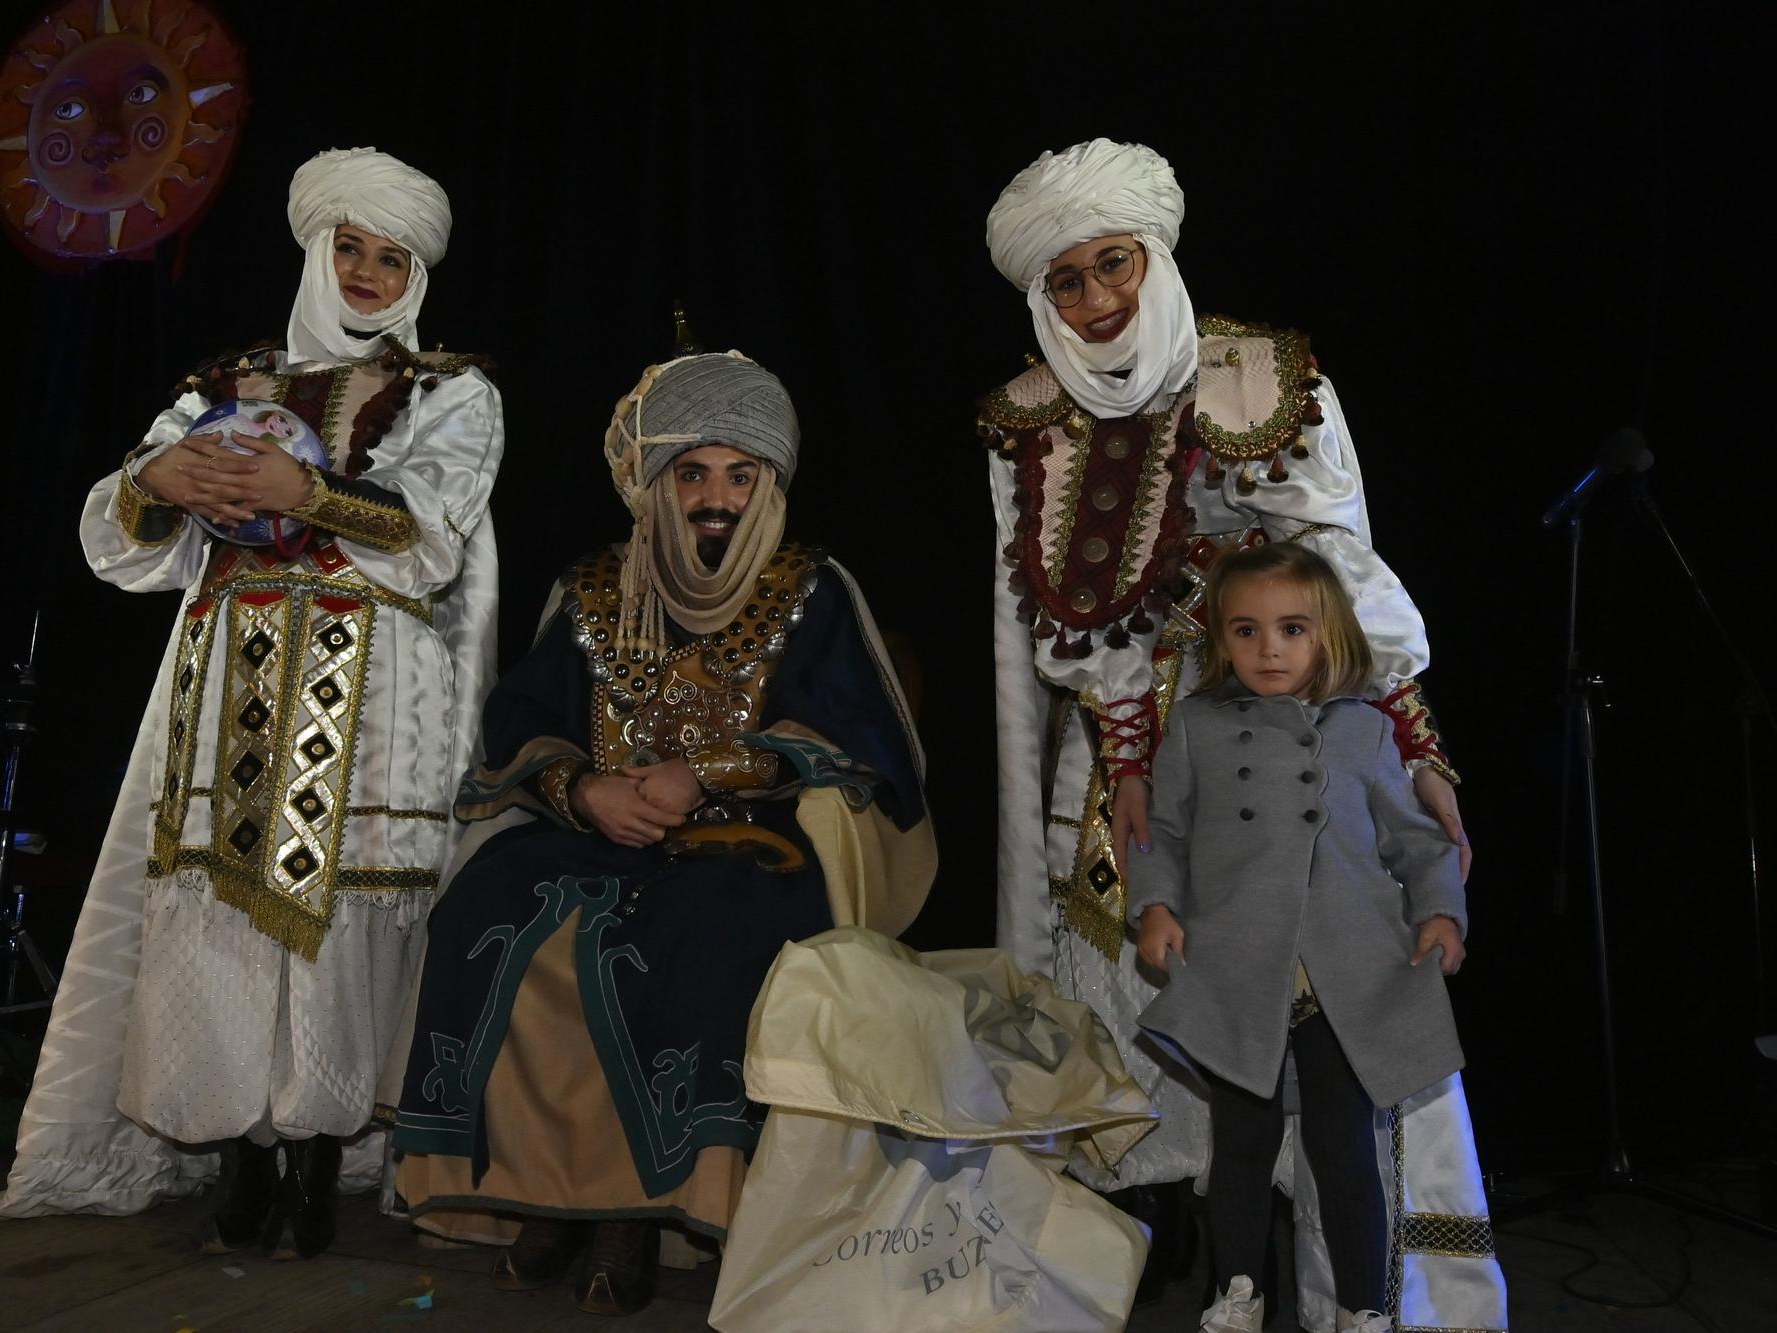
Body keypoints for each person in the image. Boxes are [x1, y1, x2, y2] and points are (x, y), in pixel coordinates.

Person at [980, 137, 1504, 1331]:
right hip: (1135, 768)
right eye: (1064, 282)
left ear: (1152, 255)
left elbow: (1343, 575)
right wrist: (1120, 766)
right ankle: (1163, 1265)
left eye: (1112, 264)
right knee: (1137, 992)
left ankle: (1358, 1294)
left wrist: (1413, 745)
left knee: (1329, 1018)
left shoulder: (1256, 375)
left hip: (1307, 755)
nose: (1096, 299)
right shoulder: (1029, 419)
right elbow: (1055, 636)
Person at [0, 147, 505, 1263]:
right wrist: (153, 484)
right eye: (345, 248)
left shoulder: (453, 390)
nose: (362, 271)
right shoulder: (227, 384)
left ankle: (315, 1157)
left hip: (366, 691)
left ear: (413, 273)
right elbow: (127, 537)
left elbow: (432, 534)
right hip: (232, 678)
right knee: (223, 912)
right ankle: (241, 1156)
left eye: (385, 256)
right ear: (315, 252)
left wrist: (305, 494)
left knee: (331, 922)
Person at [390, 351, 933, 1317]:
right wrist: (583, 787)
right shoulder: (593, 587)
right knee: (492, 905)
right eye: (691, 473)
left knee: (687, 934)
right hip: (593, 830)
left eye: (739, 474)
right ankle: (542, 1189)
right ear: (655, 482)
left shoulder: (812, 589)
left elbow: (864, 741)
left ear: (770, 482)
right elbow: (522, 719)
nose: (714, 498)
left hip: (751, 847)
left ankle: (637, 1213)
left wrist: (708, 772)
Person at [1130, 543, 1466, 1332]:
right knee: (1239, 1143)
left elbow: (1419, 841)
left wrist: (1440, 911)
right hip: (1240, 966)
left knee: (1344, 1145)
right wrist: (1156, 906)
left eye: (1290, 628)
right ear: (1219, 637)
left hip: (1342, 971)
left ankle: (1364, 1307)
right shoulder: (1196, 726)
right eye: (1245, 630)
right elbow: (1164, 833)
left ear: (1329, 636)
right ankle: (1238, 1289)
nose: (1268, 648)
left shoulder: (1366, 732)